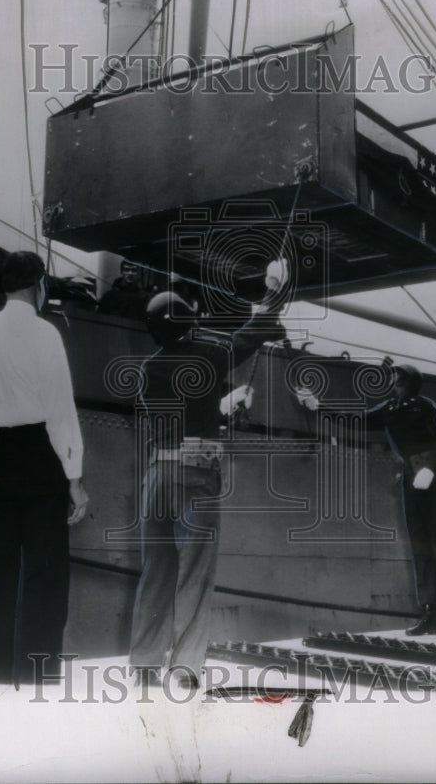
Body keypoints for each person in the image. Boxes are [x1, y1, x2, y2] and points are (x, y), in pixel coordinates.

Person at [129, 261, 288, 690]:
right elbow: (256, 332)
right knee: (194, 573)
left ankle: (144, 661)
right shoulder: (210, 354)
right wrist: (273, 288)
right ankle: (184, 668)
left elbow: (180, 411)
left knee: (156, 569)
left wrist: (221, 403)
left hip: (158, 474)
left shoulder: (148, 370)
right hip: (197, 473)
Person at [0, 251, 89, 686]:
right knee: (45, 570)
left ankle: (1, 674)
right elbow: (59, 410)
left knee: (1, 572)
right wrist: (73, 478)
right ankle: (37, 675)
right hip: (38, 454)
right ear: (38, 285)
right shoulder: (44, 333)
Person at [365, 364, 436, 639]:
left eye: (398, 376)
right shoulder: (390, 409)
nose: (393, 380)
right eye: (393, 376)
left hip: (433, 478)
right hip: (409, 479)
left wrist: (428, 468)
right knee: (420, 547)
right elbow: (356, 418)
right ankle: (428, 613)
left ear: (410, 381)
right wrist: (317, 406)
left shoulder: (425, 407)